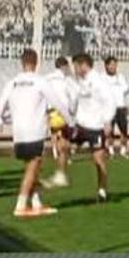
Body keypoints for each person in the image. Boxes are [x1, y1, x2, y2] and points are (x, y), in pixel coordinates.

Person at [0, 49, 72, 217]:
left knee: (30, 167)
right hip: (35, 133)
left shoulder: (12, 83)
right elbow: (58, 103)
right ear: (36, 62)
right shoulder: (40, 82)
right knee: (33, 167)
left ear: (22, 62)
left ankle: (36, 202)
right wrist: (71, 121)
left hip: (18, 135)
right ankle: (20, 204)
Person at [69, 53, 115, 203]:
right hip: (81, 125)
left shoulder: (98, 81)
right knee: (63, 145)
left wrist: (107, 121)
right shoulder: (79, 81)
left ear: (83, 66)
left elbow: (109, 101)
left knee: (98, 160)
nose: (73, 69)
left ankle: (102, 190)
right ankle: (59, 175)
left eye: (75, 66)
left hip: (95, 126)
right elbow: (75, 101)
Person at [44, 57, 77, 188]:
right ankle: (61, 174)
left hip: (51, 111)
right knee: (64, 143)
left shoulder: (47, 78)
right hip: (63, 112)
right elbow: (73, 97)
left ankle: (59, 168)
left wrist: (45, 111)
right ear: (64, 67)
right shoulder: (67, 80)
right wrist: (72, 112)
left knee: (57, 140)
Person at [103, 56, 129, 158]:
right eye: (111, 65)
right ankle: (110, 150)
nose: (113, 67)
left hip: (120, 107)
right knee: (109, 131)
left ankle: (123, 150)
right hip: (109, 108)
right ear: (106, 66)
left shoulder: (121, 77)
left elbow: (126, 90)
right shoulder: (102, 78)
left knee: (124, 130)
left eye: (115, 65)